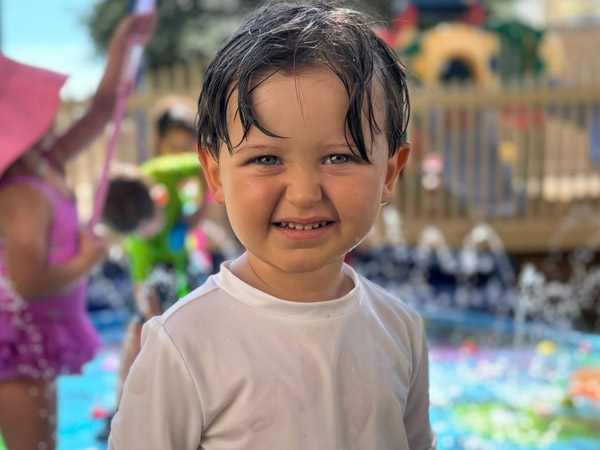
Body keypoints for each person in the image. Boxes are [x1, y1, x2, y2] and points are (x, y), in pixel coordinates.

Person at [109, 1, 436, 449]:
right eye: (266, 159)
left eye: (338, 157)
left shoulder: (401, 331)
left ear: (390, 173)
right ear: (215, 176)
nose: (303, 193)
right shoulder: (182, 345)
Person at [0, 13, 155, 450]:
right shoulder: (21, 193)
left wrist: (123, 48)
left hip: (34, 334)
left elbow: (104, 109)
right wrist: (87, 260)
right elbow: (28, 282)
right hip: (18, 340)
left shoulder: (47, 164)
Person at [95, 109, 210, 440]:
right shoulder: (141, 247)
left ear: (157, 195)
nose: (149, 232)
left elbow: (210, 166)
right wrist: (152, 319)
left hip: (185, 261)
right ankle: (120, 410)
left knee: (197, 325)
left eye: (152, 223)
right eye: (141, 232)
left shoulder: (165, 171)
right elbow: (145, 300)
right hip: (158, 272)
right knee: (138, 332)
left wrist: (193, 219)